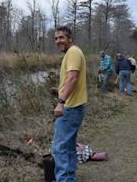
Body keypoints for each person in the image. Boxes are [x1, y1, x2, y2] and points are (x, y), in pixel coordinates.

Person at [53, 26, 87, 181]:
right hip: (74, 107)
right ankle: (69, 178)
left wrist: (61, 102)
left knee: (60, 148)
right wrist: (59, 90)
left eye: (61, 37)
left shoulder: (73, 52)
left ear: (70, 38)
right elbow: (70, 79)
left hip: (70, 108)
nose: (58, 41)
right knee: (68, 147)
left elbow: (73, 78)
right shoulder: (73, 52)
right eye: (56, 38)